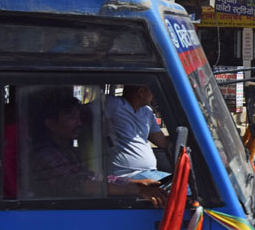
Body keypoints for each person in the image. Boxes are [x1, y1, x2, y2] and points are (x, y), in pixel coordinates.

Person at [32, 93, 167, 206]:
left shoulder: (68, 151)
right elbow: (86, 185)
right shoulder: (46, 155)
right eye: (71, 117)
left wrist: (136, 183)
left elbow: (93, 177)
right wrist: (138, 190)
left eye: (78, 117)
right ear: (51, 124)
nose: (79, 123)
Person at [105, 85, 170, 180]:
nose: (153, 96)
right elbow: (82, 111)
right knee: (187, 190)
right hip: (127, 175)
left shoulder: (147, 112)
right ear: (141, 92)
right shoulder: (114, 104)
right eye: (152, 91)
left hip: (148, 172)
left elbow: (162, 142)